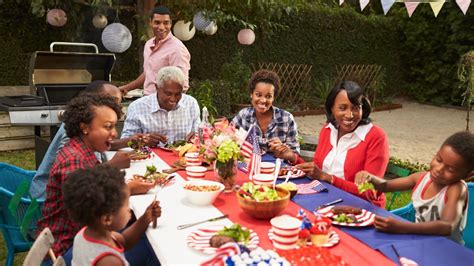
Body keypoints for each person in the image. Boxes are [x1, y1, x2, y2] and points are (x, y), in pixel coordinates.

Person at [29, 81, 158, 200]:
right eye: (111, 101)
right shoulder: (72, 154)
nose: (115, 133)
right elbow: (79, 192)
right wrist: (116, 171)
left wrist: (127, 141)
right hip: (44, 199)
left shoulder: (86, 139)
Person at [355, 131, 473, 244]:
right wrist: (371, 178)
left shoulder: (456, 189)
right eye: (438, 160)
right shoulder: (421, 178)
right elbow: (385, 186)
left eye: (450, 169)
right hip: (422, 241)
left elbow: (447, 226)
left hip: (447, 250)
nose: (439, 169)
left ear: (467, 176)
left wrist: (402, 227)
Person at [295, 81, 389, 207]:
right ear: (331, 108)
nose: (350, 115)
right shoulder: (328, 129)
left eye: (356, 108)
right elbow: (317, 170)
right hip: (327, 197)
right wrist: (294, 158)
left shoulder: (376, 137)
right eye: (342, 108)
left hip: (363, 208)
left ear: (363, 108)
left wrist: (329, 178)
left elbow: (370, 191)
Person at [63, 164, 161, 265]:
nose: (129, 210)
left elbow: (124, 241)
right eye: (126, 205)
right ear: (107, 219)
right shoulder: (110, 261)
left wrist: (145, 218)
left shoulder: (86, 233)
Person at [119, 5, 191, 96]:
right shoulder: (148, 44)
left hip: (164, 106)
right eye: (157, 22)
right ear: (150, 23)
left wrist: (164, 104)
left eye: (166, 23)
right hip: (146, 100)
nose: (161, 27)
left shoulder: (177, 49)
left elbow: (182, 85)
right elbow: (148, 74)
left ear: (171, 24)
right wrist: (125, 88)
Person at [231, 69, 300, 162]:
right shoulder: (243, 116)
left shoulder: (286, 119)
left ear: (274, 97)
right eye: (258, 95)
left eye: (268, 96)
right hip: (247, 169)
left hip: (277, 172)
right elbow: (228, 140)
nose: (263, 100)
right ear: (251, 94)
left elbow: (295, 156)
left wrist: (285, 152)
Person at [121, 66, 200, 144]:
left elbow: (198, 133)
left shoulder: (191, 104)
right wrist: (143, 140)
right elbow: (125, 141)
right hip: (149, 156)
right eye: (168, 94)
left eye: (178, 94)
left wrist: (196, 136)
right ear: (157, 87)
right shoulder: (137, 107)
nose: (173, 99)